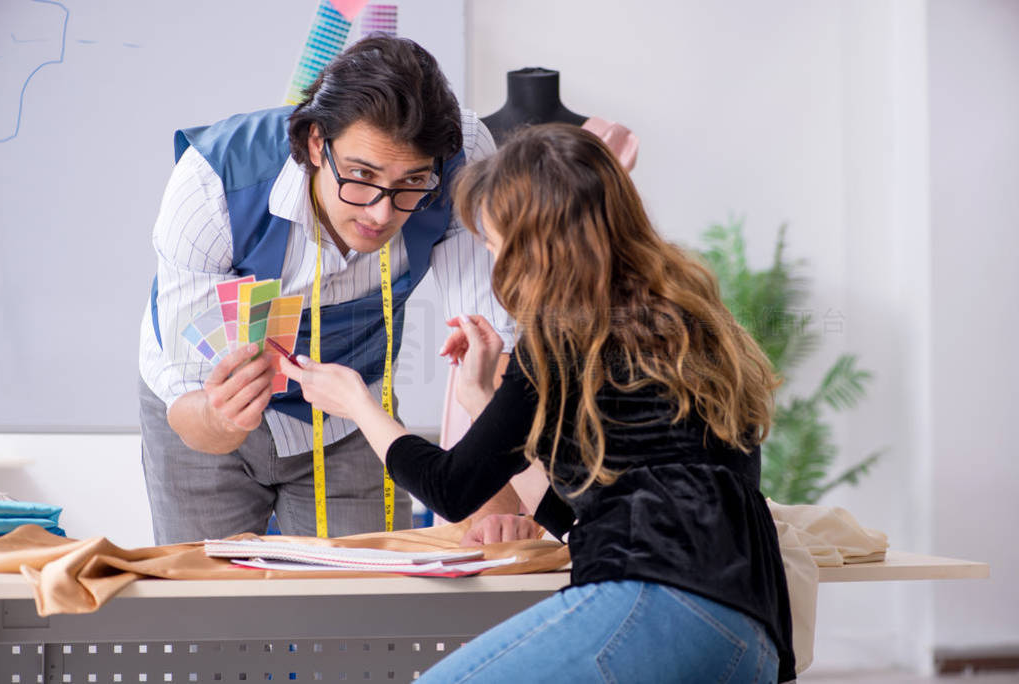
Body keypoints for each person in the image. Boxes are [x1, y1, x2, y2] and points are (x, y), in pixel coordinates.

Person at [280, 124, 797, 682]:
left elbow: (449, 489)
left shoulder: (561, 338)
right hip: (751, 634)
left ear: (538, 246)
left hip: (652, 603)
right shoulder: (697, 329)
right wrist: (481, 397)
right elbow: (584, 516)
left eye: (496, 244)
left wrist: (356, 402)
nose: (495, 262)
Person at [138, 35, 539, 545]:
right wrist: (224, 415)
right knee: (210, 608)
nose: (380, 213)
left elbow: (492, 349)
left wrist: (493, 513)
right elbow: (194, 406)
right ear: (314, 143)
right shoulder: (211, 187)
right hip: (208, 408)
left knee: (365, 608)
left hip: (354, 414)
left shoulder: (463, 158)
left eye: (411, 182)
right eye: (360, 175)